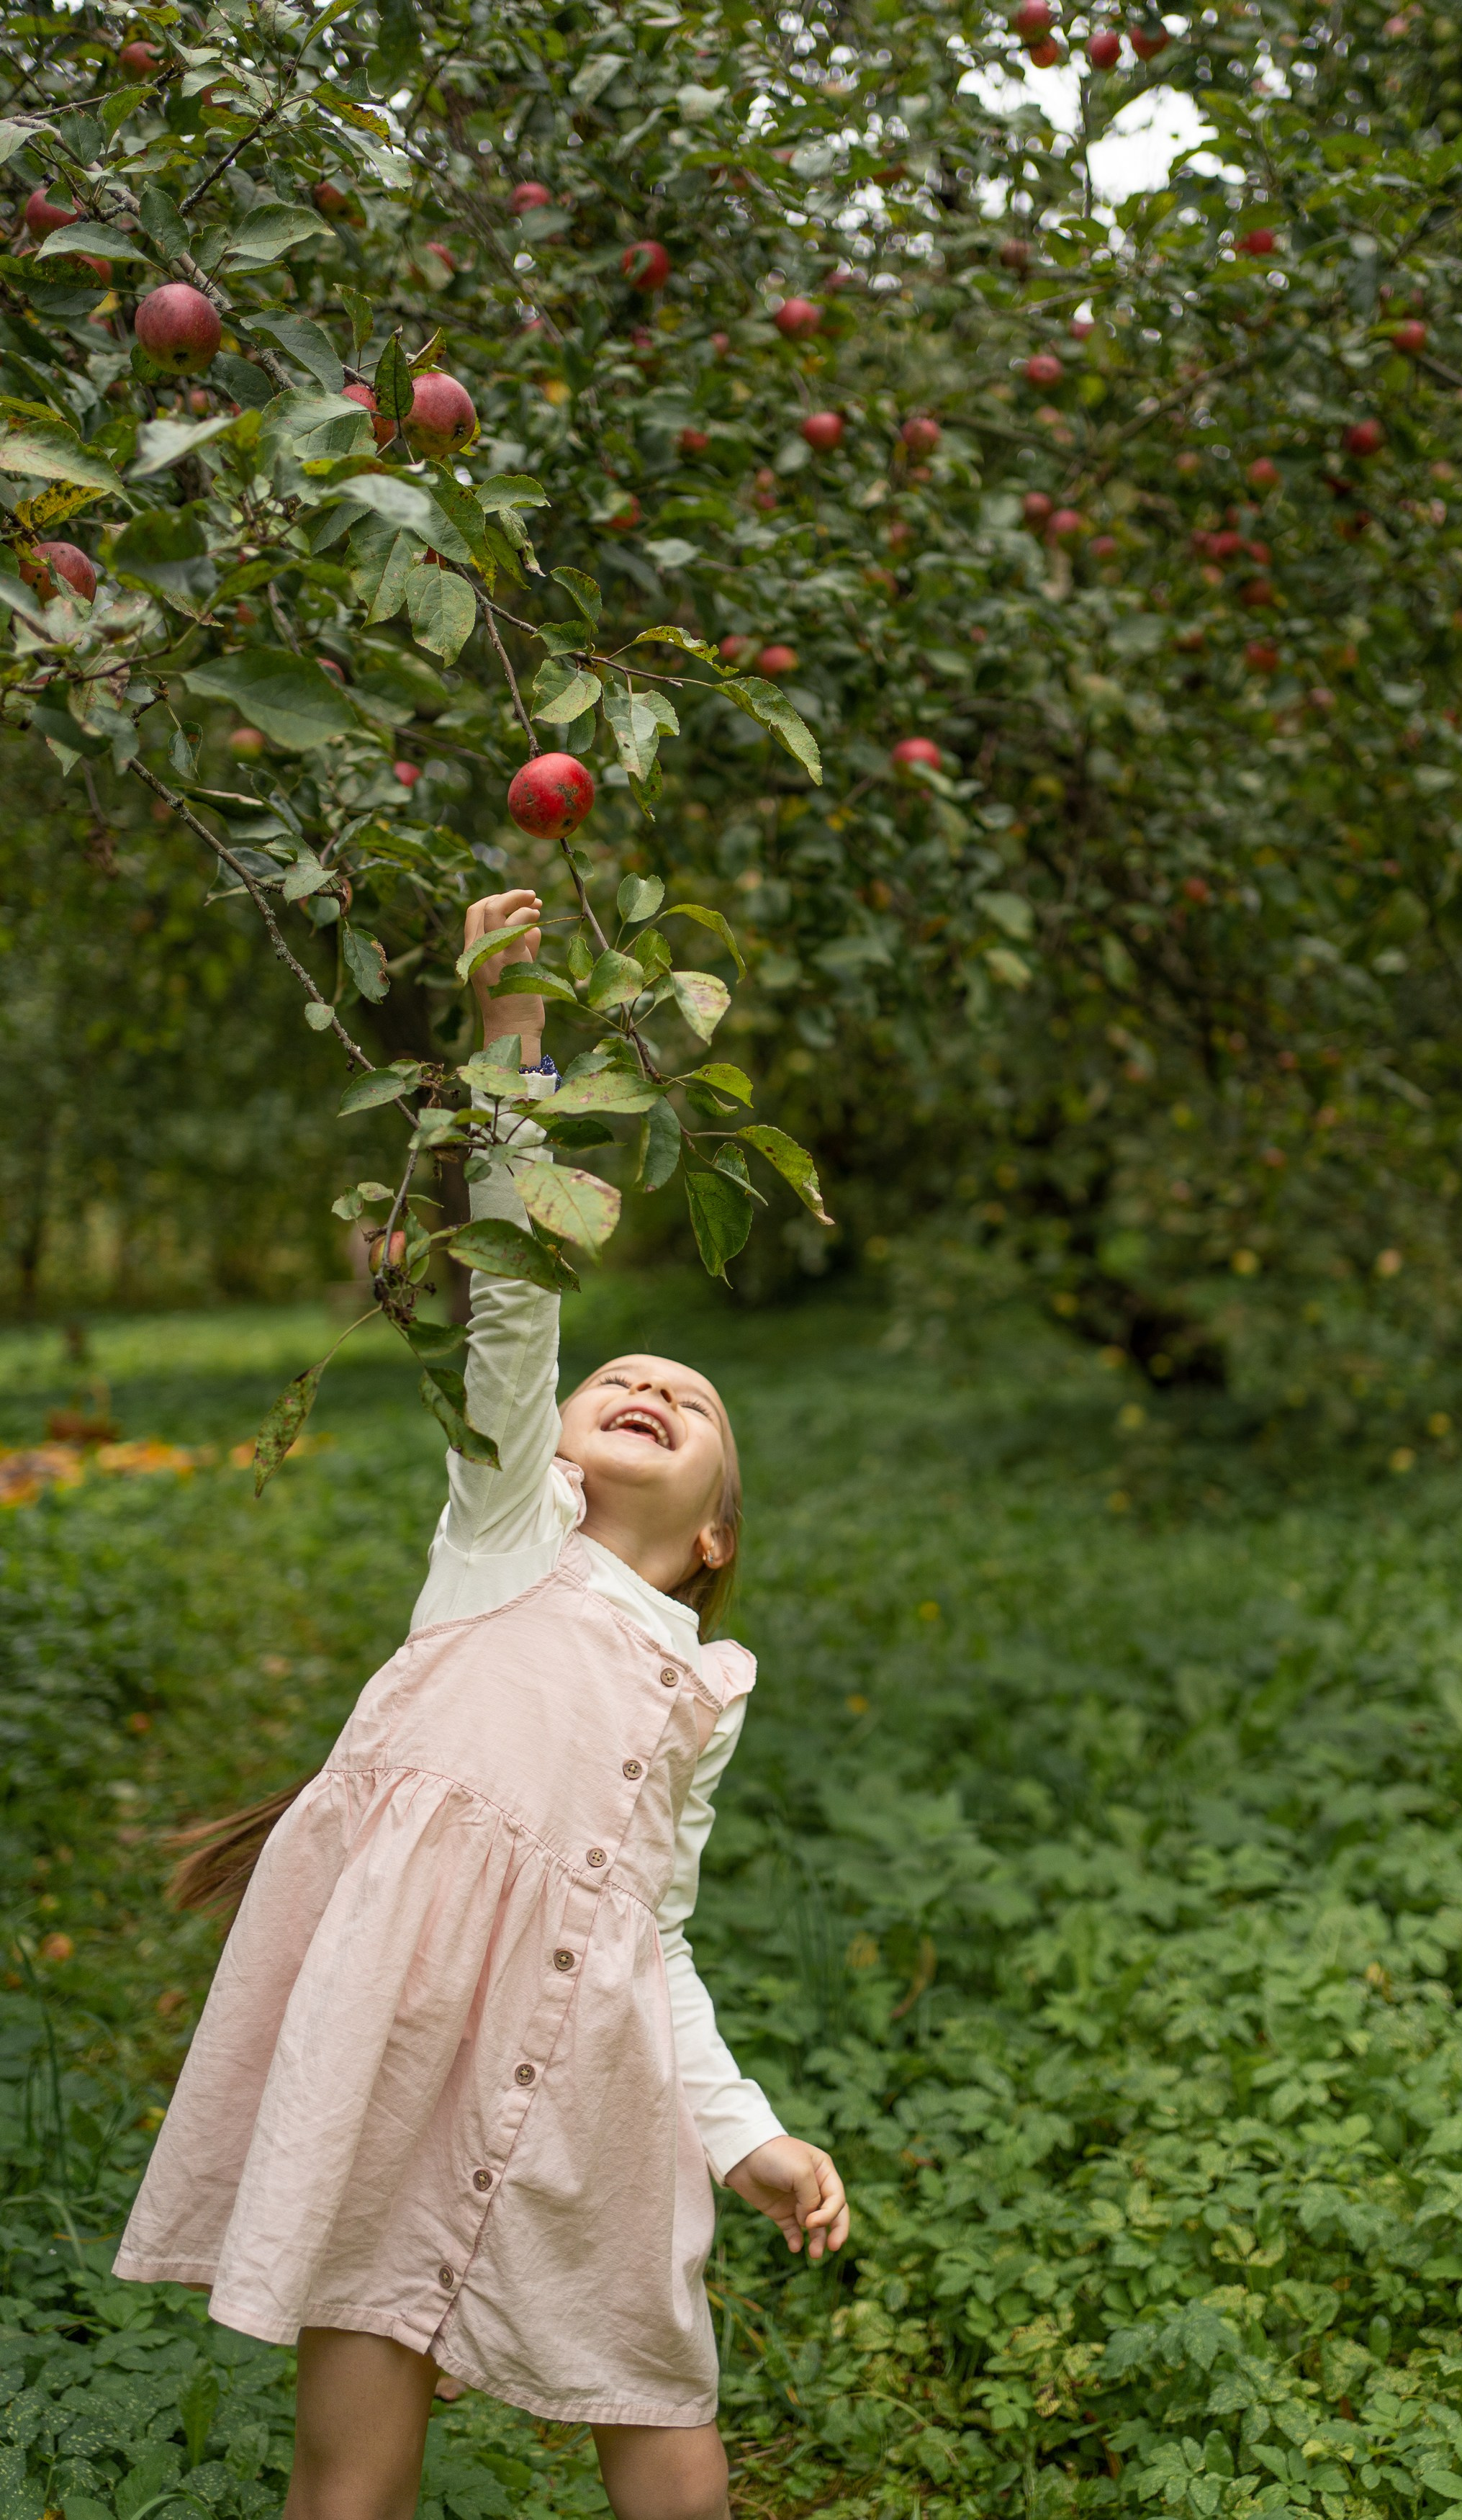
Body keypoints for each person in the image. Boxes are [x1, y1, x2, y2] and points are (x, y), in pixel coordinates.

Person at [114, 891, 848, 2520]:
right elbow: (515, 1303)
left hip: (590, 2082)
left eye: (693, 1395)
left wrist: (748, 2138)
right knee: (350, 2468)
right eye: (622, 1384)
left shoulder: (703, 1689)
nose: (650, 1385)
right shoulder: (509, 1535)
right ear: (562, 1446)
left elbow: (655, 1931)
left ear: (719, 1527)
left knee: (658, 2397)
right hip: (399, 2052)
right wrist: (512, 1044)